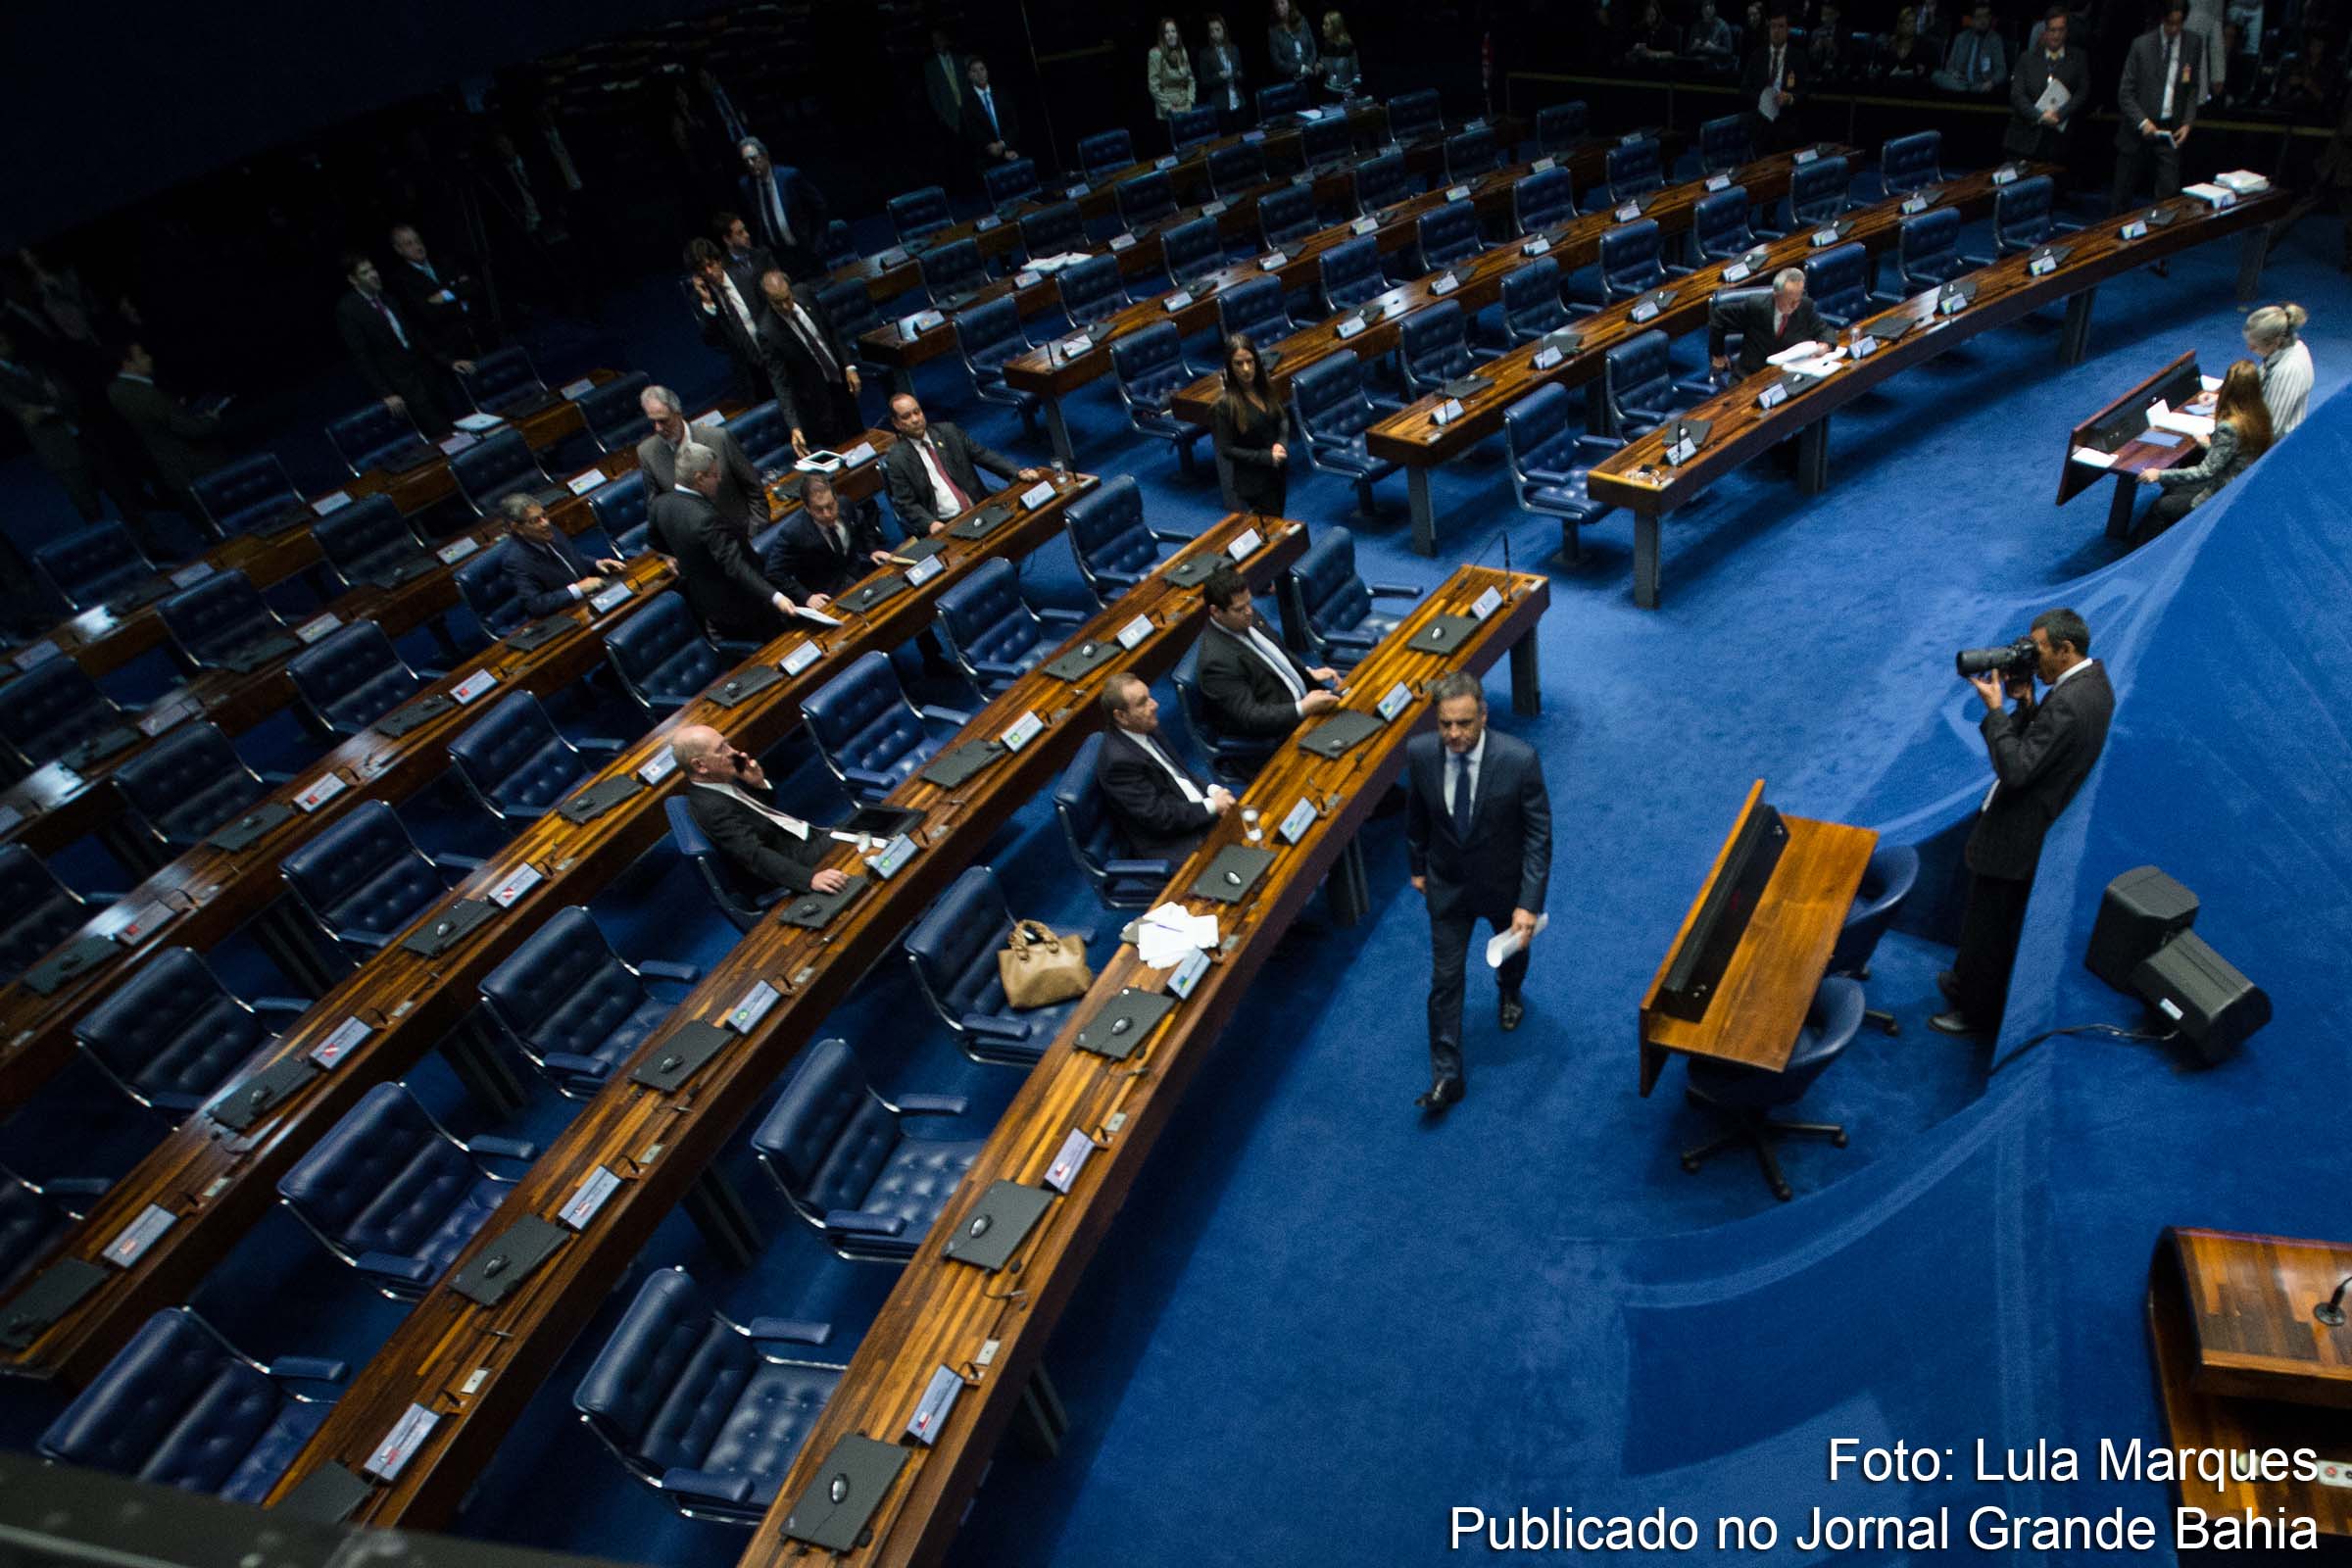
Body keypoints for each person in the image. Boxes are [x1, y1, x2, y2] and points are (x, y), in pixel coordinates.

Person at [1932, 609, 2115, 1037]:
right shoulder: (2091, 686)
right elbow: (2047, 745)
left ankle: (1973, 1013)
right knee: (1981, 923)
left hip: (2019, 835)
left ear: (2067, 650)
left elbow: (2017, 768)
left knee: (1990, 933)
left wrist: (1996, 712)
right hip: (2026, 824)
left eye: (2040, 651)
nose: (2033, 659)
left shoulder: (2071, 702)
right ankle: (1963, 984)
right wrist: (2027, 703)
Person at [1403, 671, 1552, 1110]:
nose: (1454, 734)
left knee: (1513, 953)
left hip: (1504, 887)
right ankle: (1448, 1079)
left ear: (1483, 716)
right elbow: (1417, 817)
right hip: (1446, 886)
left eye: (1464, 723)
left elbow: (1538, 837)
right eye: (1446, 724)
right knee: (1444, 981)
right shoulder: (1420, 754)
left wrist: (1529, 903)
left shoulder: (1519, 760)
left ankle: (1509, 991)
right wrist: (1417, 867)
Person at [652, 442, 810, 639]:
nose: (719, 479)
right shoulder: (704, 518)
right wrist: (775, 597)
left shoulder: (659, 505)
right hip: (742, 606)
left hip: (707, 604)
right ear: (699, 478)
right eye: (714, 475)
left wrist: (689, 558)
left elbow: (655, 541)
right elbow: (735, 566)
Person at [673, 725, 850, 896]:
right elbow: (754, 856)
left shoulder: (718, 779)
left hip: (800, 838)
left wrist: (758, 784)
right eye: (721, 749)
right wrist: (810, 879)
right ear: (700, 766)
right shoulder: (711, 807)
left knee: (863, 823)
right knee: (863, 830)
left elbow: (762, 817)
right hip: (796, 859)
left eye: (727, 743)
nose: (733, 752)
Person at [1095, 672, 1236, 859]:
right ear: (1121, 716)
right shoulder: (1118, 763)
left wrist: (1213, 791)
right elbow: (1161, 817)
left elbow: (1181, 773)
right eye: (1142, 703)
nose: (1154, 705)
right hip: (1175, 840)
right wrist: (1212, 806)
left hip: (1193, 810)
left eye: (1150, 696)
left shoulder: (1146, 726)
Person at [1197, 563, 1342, 743]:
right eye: (1239, 609)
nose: (1249, 612)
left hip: (1306, 700)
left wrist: (1307, 670)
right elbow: (1250, 717)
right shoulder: (1216, 662)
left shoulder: (1246, 616)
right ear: (1215, 611)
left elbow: (1278, 650)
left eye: (1249, 602)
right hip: (1283, 730)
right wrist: (1302, 708)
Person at [2132, 359, 2271, 535]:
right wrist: (2210, 446)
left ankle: (2147, 552)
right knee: (2175, 488)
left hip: (2223, 492)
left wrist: (2158, 474)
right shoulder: (2261, 413)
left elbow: (2204, 472)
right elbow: (2236, 453)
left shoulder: (2229, 427)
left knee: (2161, 505)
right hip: (2239, 480)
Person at [880, 393, 1042, 531]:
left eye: (917, 412)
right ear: (896, 423)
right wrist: (930, 524)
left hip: (979, 506)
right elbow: (906, 503)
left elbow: (983, 455)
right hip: (945, 523)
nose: (915, 419)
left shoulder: (948, 432)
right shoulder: (897, 459)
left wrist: (1017, 471)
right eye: (906, 416)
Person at [334, 254, 450, 439]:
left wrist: (447, 362)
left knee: (453, 420)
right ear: (353, 280)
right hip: (401, 383)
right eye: (365, 272)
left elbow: (413, 335)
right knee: (439, 432)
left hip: (424, 372)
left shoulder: (388, 298)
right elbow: (362, 356)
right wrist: (386, 393)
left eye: (373, 269)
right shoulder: (349, 309)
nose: (373, 275)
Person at [106, 340, 229, 507]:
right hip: (194, 466)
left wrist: (173, 408)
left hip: (172, 466)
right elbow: (191, 429)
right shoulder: (147, 395)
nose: (148, 358)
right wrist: (211, 419)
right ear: (128, 364)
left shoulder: (116, 390)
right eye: (141, 356)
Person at [2111, 1, 2206, 215]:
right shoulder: (2141, 45)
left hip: (2169, 129)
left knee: (2168, 193)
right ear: (2162, 20)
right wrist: (2143, 122)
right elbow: (2125, 93)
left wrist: (2188, 122)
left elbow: (2192, 88)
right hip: (2138, 129)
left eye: (2178, 24)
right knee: (2121, 196)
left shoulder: (2193, 43)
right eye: (2169, 23)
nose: (2174, 29)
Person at [755, 270, 862, 456]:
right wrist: (794, 426)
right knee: (842, 450)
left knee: (860, 436)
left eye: (787, 298)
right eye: (777, 302)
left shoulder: (804, 293)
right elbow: (780, 383)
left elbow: (831, 331)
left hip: (840, 380)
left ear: (791, 290)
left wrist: (848, 365)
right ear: (768, 300)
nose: (785, 306)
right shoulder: (767, 332)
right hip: (816, 400)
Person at [636, 385, 767, 528]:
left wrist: (755, 532)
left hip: (741, 534)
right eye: (653, 421)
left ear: (678, 413)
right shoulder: (648, 453)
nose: (658, 428)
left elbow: (754, 489)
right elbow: (658, 511)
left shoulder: (719, 438)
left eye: (663, 421)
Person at [762, 471, 891, 605]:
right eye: (819, 510)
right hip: (827, 593)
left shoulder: (845, 504)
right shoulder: (794, 533)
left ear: (835, 498)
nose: (827, 514)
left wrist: (873, 549)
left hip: (859, 572)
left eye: (830, 506)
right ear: (807, 508)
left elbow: (862, 524)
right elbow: (774, 573)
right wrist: (807, 597)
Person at [499, 494, 628, 619]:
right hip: (570, 614)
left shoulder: (552, 531)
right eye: (535, 520)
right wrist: (578, 589)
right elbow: (536, 605)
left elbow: (571, 558)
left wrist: (596, 563)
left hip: (595, 600)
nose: (545, 523)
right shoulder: (516, 560)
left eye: (544, 515)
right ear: (517, 528)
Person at [384, 224, 481, 372]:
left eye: (417, 241)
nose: (417, 247)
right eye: (409, 244)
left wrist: (446, 295)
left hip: (480, 332)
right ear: (399, 250)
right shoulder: (402, 281)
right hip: (452, 347)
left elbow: (474, 285)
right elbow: (427, 313)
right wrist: (458, 294)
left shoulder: (444, 261)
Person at [683, 236, 768, 405]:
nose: (708, 272)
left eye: (710, 265)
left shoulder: (745, 274)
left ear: (719, 260)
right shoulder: (699, 299)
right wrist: (708, 304)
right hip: (750, 370)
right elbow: (710, 339)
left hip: (772, 351)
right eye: (702, 269)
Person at [1211, 333, 1289, 514]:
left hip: (1277, 471)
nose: (1246, 369)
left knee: (1278, 518)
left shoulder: (1265, 388)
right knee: (1268, 528)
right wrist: (1266, 457)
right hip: (1254, 481)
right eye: (1238, 364)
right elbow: (1227, 449)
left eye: (1250, 361)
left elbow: (1283, 417)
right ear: (1230, 367)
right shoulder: (1224, 405)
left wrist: (1281, 443)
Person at [1708, 268, 1826, 377]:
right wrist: (1718, 355)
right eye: (1790, 300)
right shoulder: (1756, 307)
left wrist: (1826, 344)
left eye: (1798, 299)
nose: (1795, 305)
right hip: (1753, 374)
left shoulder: (1803, 305)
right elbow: (1719, 315)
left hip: (1790, 370)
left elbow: (1822, 328)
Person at [737, 138, 829, 278]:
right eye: (746, 161)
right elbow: (752, 222)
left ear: (765, 156)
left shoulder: (789, 177)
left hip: (806, 251)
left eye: (753, 159)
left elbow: (820, 208)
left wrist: (818, 246)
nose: (750, 164)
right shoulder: (746, 186)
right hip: (779, 260)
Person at [2006, 9, 2090, 160]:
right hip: (2025, 140)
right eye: (2052, 30)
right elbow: (2017, 95)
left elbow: (2083, 92)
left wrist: (2060, 115)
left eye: (2061, 30)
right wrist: (2040, 116)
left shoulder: (2079, 58)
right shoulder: (2026, 58)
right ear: (2044, 32)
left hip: (2061, 143)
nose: (2056, 35)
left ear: (2067, 31)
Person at [2242, 302, 2312, 436]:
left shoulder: (2286, 371)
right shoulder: (2293, 345)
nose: (2249, 349)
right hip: (2258, 419)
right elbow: (2260, 382)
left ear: (2276, 342)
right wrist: (2224, 397)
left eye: (2255, 346)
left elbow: (2270, 429)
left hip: (2275, 446)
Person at [1741, 10, 1806, 150]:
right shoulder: (1757, 55)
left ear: (1788, 30)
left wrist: (1790, 98)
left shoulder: (1799, 57)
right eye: (1773, 26)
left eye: (1781, 26)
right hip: (1761, 116)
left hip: (1786, 117)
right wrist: (1763, 99)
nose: (1776, 31)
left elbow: (1805, 91)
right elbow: (1745, 88)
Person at [957, 57, 1023, 176]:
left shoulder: (1002, 94)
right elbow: (972, 134)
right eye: (974, 71)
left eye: (982, 69)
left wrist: (1003, 145)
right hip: (986, 159)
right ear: (969, 76)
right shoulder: (967, 104)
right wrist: (996, 150)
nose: (979, 74)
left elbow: (1014, 125)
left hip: (1010, 149)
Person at [1933, 4, 2010, 91]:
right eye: (1979, 17)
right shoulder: (1961, 37)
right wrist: (1953, 73)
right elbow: (1950, 65)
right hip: (1960, 81)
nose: (1983, 20)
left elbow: (2002, 70)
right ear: (1972, 20)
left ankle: (1964, 90)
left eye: (1986, 16)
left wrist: (1992, 82)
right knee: (1936, 75)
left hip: (1981, 84)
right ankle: (1964, 89)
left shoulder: (1995, 39)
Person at [714, 213, 778, 311]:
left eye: (745, 230)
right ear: (727, 239)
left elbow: (780, 284)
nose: (747, 235)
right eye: (740, 233)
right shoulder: (724, 268)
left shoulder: (763, 255)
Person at [1197, 15, 1249, 123]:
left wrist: (1236, 75)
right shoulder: (1205, 54)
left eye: (1217, 30)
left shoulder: (1233, 49)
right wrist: (1219, 77)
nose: (1215, 34)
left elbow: (1241, 74)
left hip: (1239, 101)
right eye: (1211, 31)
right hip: (1220, 105)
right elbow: (1205, 82)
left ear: (1224, 30)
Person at [1149, 18, 1197, 119]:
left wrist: (1191, 101)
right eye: (1166, 32)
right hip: (1168, 113)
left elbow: (1191, 79)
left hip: (1186, 108)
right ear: (1162, 36)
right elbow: (1154, 87)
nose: (1171, 35)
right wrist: (1169, 108)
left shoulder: (1182, 51)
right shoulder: (1155, 54)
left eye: (1173, 31)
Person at [1269, 0, 1320, 83]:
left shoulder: (1302, 21)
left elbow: (1313, 48)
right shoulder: (1273, 31)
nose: (1278, 7)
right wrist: (1300, 68)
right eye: (1276, 4)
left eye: (1282, 2)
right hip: (1291, 80)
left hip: (1311, 74)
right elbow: (1277, 62)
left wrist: (1309, 66)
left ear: (1290, 4)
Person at [1319, 10, 1363, 97]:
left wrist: (1353, 89)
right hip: (1330, 92)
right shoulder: (1326, 47)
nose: (1323, 27)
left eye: (1326, 25)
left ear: (1335, 27)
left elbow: (1357, 74)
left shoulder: (1348, 47)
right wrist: (1319, 66)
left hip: (1348, 94)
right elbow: (1325, 69)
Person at [1880, 7, 1934, 78]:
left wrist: (1904, 73)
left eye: (1914, 22)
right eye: (1908, 23)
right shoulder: (1892, 43)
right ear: (1901, 25)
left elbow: (1926, 71)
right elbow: (1884, 68)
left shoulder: (1922, 45)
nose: (1912, 26)